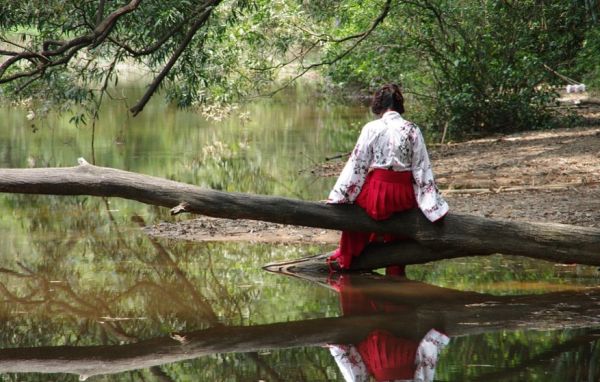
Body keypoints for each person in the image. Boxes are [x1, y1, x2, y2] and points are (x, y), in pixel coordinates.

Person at [327, 84, 448, 272]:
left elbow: (357, 165)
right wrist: (431, 204)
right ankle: (395, 269)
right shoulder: (412, 129)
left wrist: (340, 196)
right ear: (399, 105)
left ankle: (348, 255)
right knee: (401, 223)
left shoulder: (372, 128)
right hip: (403, 196)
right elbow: (421, 168)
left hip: (377, 194)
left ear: (379, 105)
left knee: (354, 213)